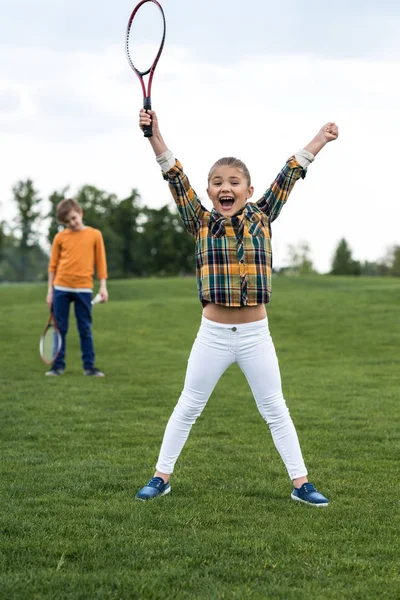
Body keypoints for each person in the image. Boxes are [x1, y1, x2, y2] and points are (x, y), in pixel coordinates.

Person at [136, 108, 338, 505]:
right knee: (188, 405)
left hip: (255, 337)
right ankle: (161, 477)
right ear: (210, 192)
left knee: (275, 408)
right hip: (212, 336)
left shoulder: (263, 216)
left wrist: (320, 138)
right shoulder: (200, 221)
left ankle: (301, 484)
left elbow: (290, 173)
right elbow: (174, 174)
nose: (223, 188)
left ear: (247, 189)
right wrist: (153, 133)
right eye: (216, 183)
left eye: (233, 182)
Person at [46, 198, 108, 377]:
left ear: (80, 212)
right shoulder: (60, 237)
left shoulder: (95, 235)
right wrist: (50, 291)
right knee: (60, 328)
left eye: (73, 218)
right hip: (61, 288)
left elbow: (101, 263)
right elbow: (53, 266)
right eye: (67, 222)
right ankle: (57, 366)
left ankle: (89, 367)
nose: (72, 223)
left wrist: (103, 287)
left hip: (84, 289)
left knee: (85, 328)